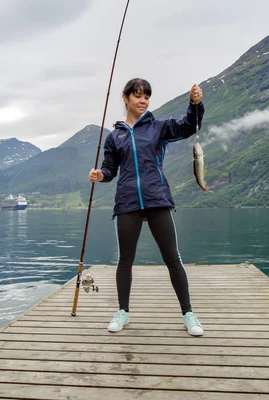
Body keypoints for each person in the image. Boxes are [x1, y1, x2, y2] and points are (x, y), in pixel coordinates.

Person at [88, 78, 205, 336]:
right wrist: (101, 175)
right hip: (127, 202)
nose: (143, 101)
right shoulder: (114, 136)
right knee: (125, 260)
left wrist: (195, 104)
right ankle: (123, 312)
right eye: (138, 96)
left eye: (147, 97)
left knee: (173, 258)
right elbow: (110, 169)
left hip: (157, 199)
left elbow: (188, 126)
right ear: (126, 98)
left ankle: (188, 313)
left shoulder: (159, 128)